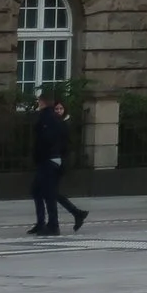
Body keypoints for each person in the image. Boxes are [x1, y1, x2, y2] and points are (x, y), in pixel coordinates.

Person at [28, 89, 89, 236]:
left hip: (49, 160)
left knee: (47, 193)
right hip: (54, 159)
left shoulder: (47, 118)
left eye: (39, 101)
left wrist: (42, 156)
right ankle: (74, 214)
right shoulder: (55, 119)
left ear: (42, 102)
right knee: (41, 191)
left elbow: (46, 141)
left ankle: (53, 225)